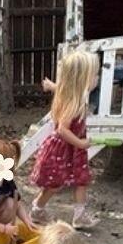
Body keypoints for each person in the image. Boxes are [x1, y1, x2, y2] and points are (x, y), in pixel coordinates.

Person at [29, 49, 101, 230]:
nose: (97, 78)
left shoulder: (73, 94)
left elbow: (61, 87)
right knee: (54, 184)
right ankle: (37, 209)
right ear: (82, 79)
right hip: (62, 149)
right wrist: (81, 143)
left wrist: (51, 85)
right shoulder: (73, 103)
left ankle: (79, 216)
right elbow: (62, 129)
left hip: (73, 150)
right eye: (94, 74)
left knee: (81, 180)